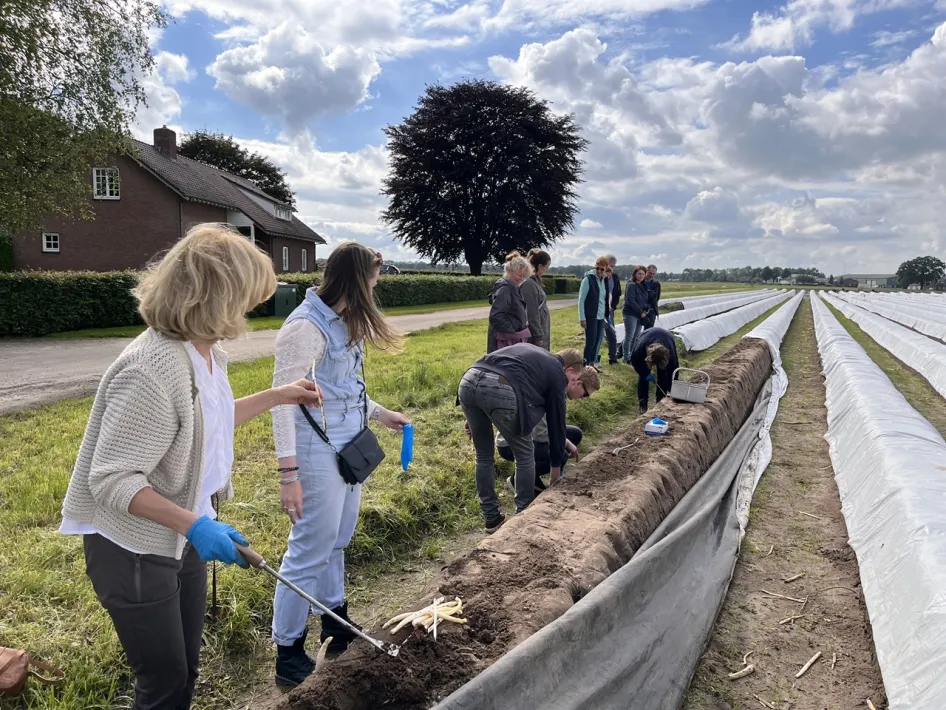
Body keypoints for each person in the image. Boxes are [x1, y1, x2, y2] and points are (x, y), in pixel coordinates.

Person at [59, 224, 325, 710]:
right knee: (162, 681)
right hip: (134, 547)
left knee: (186, 670)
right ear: (215, 296)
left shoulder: (206, 350)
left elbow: (208, 422)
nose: (251, 310)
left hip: (183, 536)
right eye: (246, 299)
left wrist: (280, 395)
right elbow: (112, 479)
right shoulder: (149, 368)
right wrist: (195, 524)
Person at [270, 242, 411, 687]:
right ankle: (288, 651)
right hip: (316, 452)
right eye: (373, 277)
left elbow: (345, 386)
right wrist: (288, 474)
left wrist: (380, 413)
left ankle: (335, 620)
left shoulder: (346, 323)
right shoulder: (305, 328)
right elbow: (281, 404)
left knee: (337, 540)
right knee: (309, 547)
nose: (377, 285)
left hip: (349, 447)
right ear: (356, 278)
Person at [458, 346, 599, 532]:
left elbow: (487, 368)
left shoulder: (534, 355)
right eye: (574, 379)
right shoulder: (557, 374)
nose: (571, 383)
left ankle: (491, 518)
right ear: (569, 370)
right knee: (525, 455)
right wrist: (555, 472)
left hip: (469, 380)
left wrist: (473, 415)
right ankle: (523, 516)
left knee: (483, 456)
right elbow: (556, 427)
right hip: (499, 386)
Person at [498, 419, 584, 496]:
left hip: (530, 434)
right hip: (511, 443)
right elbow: (540, 435)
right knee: (561, 454)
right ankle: (518, 479)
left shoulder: (559, 400)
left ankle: (555, 470)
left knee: (575, 434)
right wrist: (566, 442)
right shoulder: (548, 400)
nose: (583, 400)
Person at [487, 252, 533, 353]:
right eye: (519, 275)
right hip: (505, 341)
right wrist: (514, 331)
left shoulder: (514, 287)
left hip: (510, 339)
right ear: (509, 271)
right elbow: (496, 316)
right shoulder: (505, 289)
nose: (521, 279)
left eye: (524, 277)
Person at [630, 327, 680, 415]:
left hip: (666, 336)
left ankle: (660, 400)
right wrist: (645, 374)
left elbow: (673, 368)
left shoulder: (669, 351)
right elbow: (635, 363)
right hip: (646, 335)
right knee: (643, 377)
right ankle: (643, 404)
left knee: (663, 374)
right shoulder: (639, 350)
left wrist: (673, 387)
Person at [578, 256, 609, 367]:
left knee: (597, 343)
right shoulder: (588, 279)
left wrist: (607, 314)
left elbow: (604, 299)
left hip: (601, 316)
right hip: (591, 316)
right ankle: (585, 366)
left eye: (602, 269)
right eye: (598, 268)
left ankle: (592, 364)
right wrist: (582, 318)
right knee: (590, 342)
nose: (599, 271)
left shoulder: (604, 280)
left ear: (606, 269)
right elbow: (581, 300)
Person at [521, 249, 551, 350]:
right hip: (534, 334)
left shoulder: (534, 282)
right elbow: (531, 312)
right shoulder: (529, 283)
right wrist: (538, 335)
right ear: (539, 266)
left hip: (541, 327)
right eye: (546, 267)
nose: (547, 270)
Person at [622, 265, 650, 364]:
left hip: (640, 314)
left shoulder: (642, 286)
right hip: (631, 313)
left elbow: (644, 300)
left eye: (643, 274)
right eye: (639, 274)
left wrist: (646, 310)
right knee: (629, 336)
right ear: (635, 274)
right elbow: (630, 301)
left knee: (636, 336)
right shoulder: (631, 285)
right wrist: (641, 311)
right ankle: (626, 358)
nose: (641, 276)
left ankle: (632, 355)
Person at [600, 262, 622, 365]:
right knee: (598, 336)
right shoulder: (597, 279)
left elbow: (616, 293)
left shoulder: (614, 278)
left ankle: (613, 358)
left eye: (613, 268)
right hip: (599, 313)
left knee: (612, 334)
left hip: (609, 312)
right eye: (609, 268)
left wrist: (612, 307)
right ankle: (595, 359)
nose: (610, 271)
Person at [643, 264, 663, 329]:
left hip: (651, 311)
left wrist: (649, 308)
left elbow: (656, 298)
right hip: (640, 310)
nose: (651, 275)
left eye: (653, 274)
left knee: (648, 331)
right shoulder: (640, 282)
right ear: (646, 271)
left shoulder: (656, 284)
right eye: (650, 273)